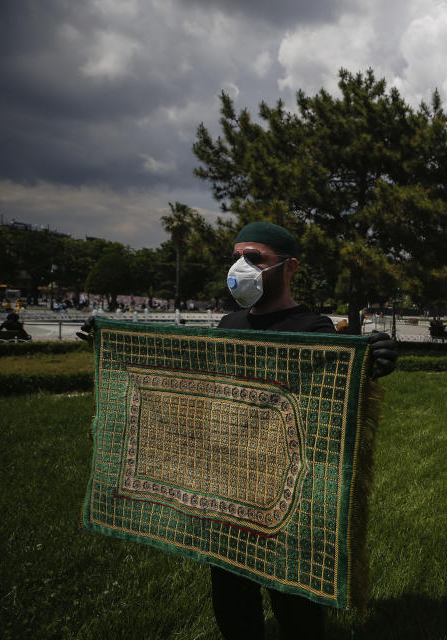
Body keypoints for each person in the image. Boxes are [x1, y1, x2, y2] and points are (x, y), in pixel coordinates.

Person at [80, 221, 397, 640]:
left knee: (294, 600)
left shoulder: (313, 330)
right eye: (236, 258)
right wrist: (112, 345)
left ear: (289, 268)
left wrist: (374, 360)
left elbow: (329, 405)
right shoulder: (230, 323)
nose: (240, 267)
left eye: (255, 258)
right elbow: (196, 385)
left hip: (284, 491)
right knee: (231, 595)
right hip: (227, 484)